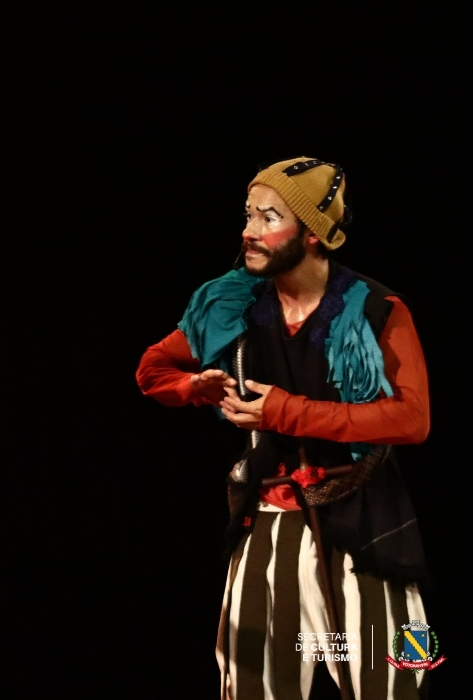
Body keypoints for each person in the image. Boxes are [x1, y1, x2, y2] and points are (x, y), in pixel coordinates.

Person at [137, 158, 431, 700]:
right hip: (267, 524)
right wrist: (195, 386)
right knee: (252, 684)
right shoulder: (232, 303)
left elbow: (412, 419)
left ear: (313, 234)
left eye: (268, 217)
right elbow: (153, 369)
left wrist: (286, 411)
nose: (249, 231)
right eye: (248, 214)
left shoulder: (374, 309)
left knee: (387, 684)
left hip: (363, 528)